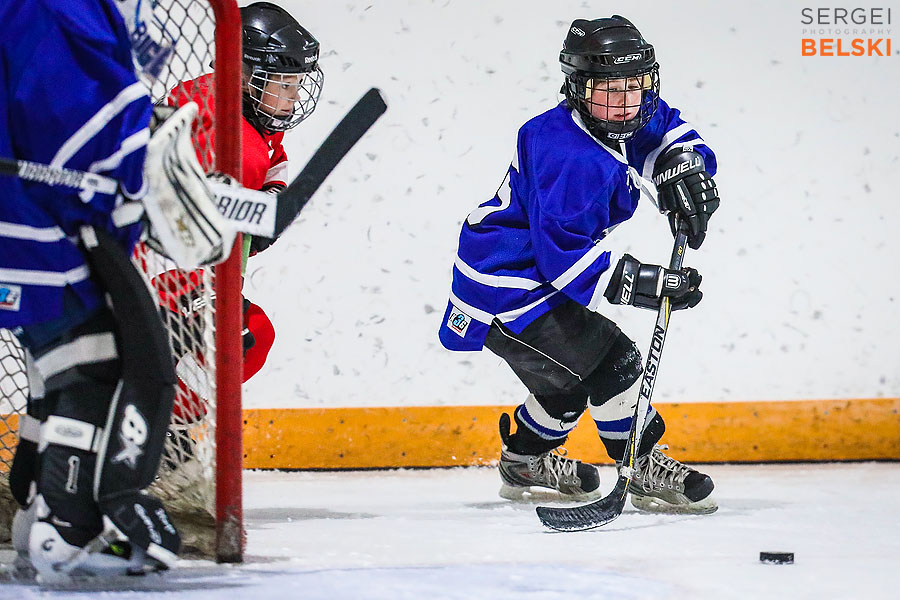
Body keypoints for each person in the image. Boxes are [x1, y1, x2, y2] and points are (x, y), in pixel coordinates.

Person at [438, 16, 721, 514]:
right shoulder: (569, 155)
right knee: (615, 362)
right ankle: (642, 462)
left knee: (563, 386)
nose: (625, 102)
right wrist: (644, 281)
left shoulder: (620, 112)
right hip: (509, 284)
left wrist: (687, 166)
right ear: (577, 88)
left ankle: (523, 462)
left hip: (514, 273)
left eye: (635, 86)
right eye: (609, 90)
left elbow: (667, 131)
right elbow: (561, 257)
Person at [0, 0, 228, 581]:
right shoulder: (59, 7)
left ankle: (36, 505)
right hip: (26, 214)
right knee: (94, 359)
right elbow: (72, 122)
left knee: (57, 362)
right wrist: (134, 184)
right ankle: (69, 528)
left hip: (29, 209)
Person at [160, 1, 325, 394]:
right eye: (284, 84)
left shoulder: (252, 120)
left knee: (253, 337)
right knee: (246, 337)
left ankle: (170, 425)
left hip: (202, 271)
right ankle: (159, 421)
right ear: (246, 75)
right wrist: (255, 217)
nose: (293, 96)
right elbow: (191, 214)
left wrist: (270, 202)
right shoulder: (210, 121)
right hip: (168, 274)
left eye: (297, 84)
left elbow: (274, 162)